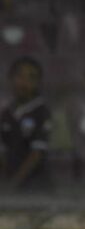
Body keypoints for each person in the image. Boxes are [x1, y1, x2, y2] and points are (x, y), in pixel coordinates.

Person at [0, 57, 51, 192]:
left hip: (36, 186)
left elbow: (36, 155)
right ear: (11, 79)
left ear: (38, 83)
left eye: (31, 77)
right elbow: (3, 151)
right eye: (20, 76)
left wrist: (13, 185)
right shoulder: (7, 112)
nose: (24, 82)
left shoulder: (41, 112)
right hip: (10, 183)